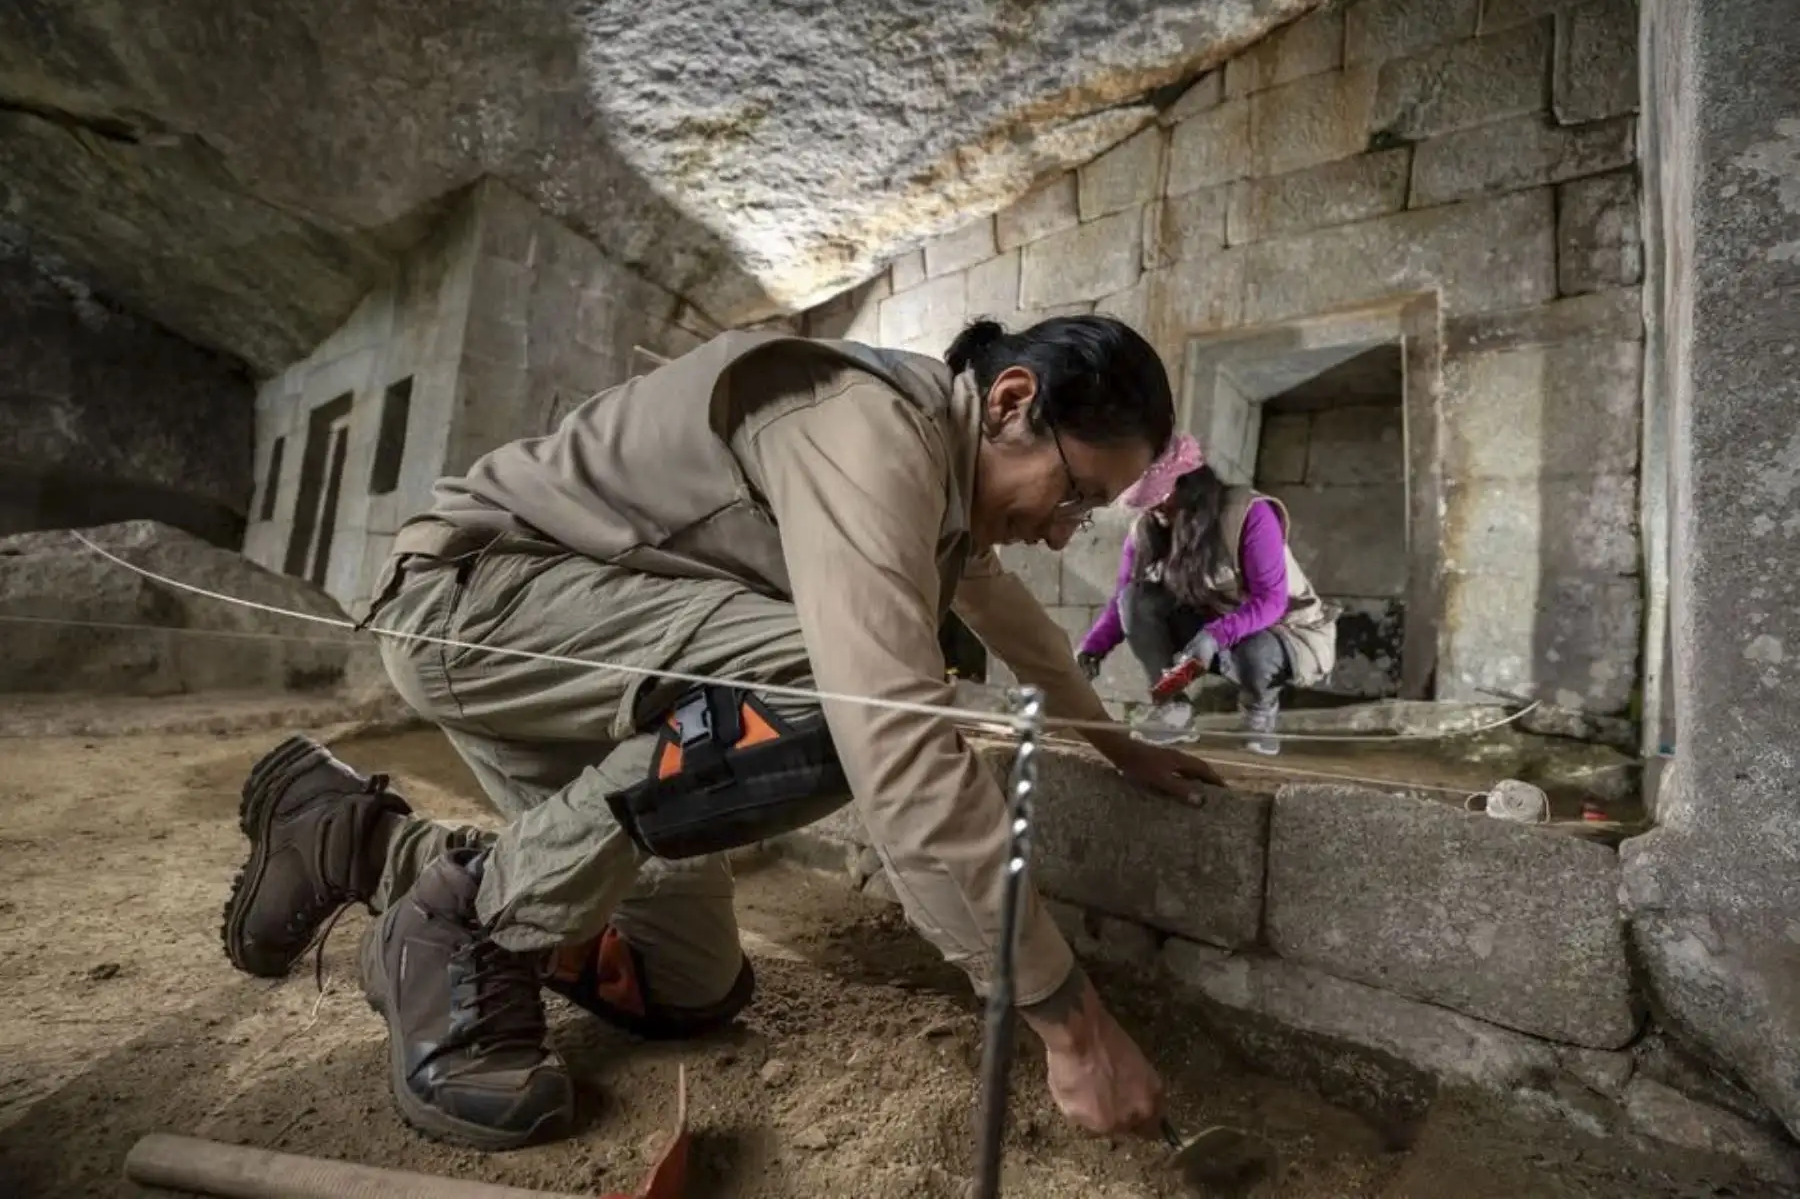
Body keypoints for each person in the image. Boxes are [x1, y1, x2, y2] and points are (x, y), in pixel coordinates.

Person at [219, 316, 1226, 1152]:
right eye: (1077, 496)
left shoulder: (943, 481)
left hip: (596, 670)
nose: (1063, 530)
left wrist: (1115, 739)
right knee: (848, 693)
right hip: (478, 609)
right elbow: (896, 742)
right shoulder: (870, 428)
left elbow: (1009, 616)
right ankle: (459, 928)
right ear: (1011, 404)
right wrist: (1070, 1024)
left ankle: (353, 840)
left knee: (685, 986)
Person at [1075, 436, 1337, 755]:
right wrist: (1090, 652)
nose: (1153, 506)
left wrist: (1215, 636)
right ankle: (1174, 709)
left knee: (1254, 652)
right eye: (1145, 499)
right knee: (1136, 598)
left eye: (1161, 494)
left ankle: (1260, 710)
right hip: (1212, 630)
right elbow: (1121, 603)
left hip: (1284, 632)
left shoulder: (1249, 513)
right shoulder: (1147, 529)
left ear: (1190, 484)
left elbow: (1271, 601)